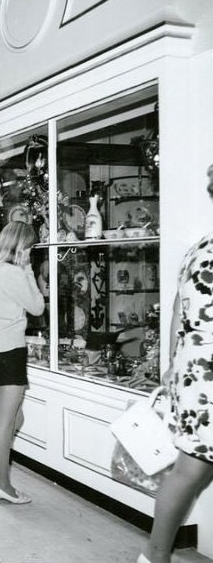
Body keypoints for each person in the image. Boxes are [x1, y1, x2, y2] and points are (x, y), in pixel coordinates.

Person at [139, 165, 213, 563]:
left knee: (192, 471)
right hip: (207, 379)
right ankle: (154, 556)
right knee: (190, 471)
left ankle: (154, 556)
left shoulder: (200, 248)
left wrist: (171, 364)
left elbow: (175, 310)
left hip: (194, 375)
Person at [0, 221, 44, 503]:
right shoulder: (13, 272)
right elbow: (38, 306)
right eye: (30, 247)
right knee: (5, 423)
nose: (31, 252)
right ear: (21, 246)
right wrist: (27, 269)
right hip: (9, 350)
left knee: (15, 418)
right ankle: (3, 484)